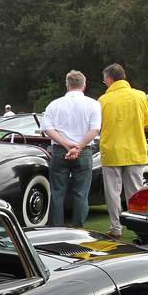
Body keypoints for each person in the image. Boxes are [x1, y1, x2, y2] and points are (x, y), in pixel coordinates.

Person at [41, 70, 102, 228]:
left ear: (67, 86)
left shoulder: (55, 104)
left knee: (57, 193)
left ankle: (56, 228)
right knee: (81, 194)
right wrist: (78, 146)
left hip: (60, 151)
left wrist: (66, 145)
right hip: (84, 151)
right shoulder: (94, 104)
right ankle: (79, 228)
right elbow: (95, 130)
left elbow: (47, 128)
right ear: (84, 86)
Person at [99, 63, 148, 239]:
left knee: (113, 192)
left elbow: (99, 125)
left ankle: (116, 227)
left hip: (112, 150)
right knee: (135, 191)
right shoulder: (140, 96)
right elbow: (145, 120)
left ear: (109, 79)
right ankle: (139, 227)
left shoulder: (103, 100)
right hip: (135, 148)